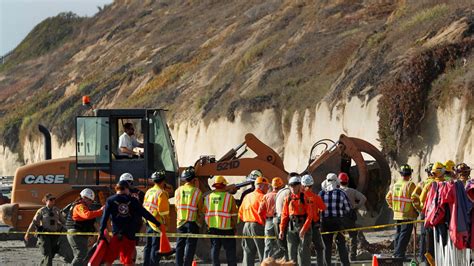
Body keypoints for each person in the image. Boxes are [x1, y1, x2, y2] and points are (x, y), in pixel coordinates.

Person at [100, 180, 161, 266]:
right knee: (128, 260)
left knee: (109, 259)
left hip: (116, 235)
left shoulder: (110, 200)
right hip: (129, 236)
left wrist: (101, 231)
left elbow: (104, 217)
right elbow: (145, 213)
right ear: (126, 189)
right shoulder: (133, 201)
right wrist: (157, 223)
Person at [204, 176, 239, 266]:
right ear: (224, 186)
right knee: (230, 250)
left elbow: (204, 212)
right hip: (227, 228)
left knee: (215, 249)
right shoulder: (229, 197)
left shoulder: (208, 197)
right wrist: (235, 227)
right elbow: (234, 214)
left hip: (212, 228)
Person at [279, 175, 313, 266]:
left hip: (303, 225)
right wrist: (281, 230)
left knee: (304, 253)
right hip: (291, 226)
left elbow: (310, 215)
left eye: (295, 185)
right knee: (291, 252)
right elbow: (284, 215)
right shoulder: (288, 198)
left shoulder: (305, 197)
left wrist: (304, 229)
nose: (293, 187)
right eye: (291, 185)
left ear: (299, 185)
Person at [385, 164, 417, 259]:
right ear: (410, 174)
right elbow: (415, 199)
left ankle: (396, 253)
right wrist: (417, 211)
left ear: (401, 174)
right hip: (407, 214)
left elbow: (388, 197)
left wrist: (393, 206)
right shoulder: (410, 185)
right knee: (405, 235)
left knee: (398, 234)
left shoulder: (396, 185)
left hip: (397, 214)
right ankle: (399, 255)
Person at [24, 193, 66, 266]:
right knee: (47, 254)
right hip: (44, 235)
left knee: (51, 254)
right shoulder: (41, 211)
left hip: (54, 235)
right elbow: (33, 222)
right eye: (51, 199)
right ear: (46, 201)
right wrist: (28, 233)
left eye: (54, 199)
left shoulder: (57, 210)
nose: (53, 201)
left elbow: (63, 221)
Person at [65, 188, 104, 266]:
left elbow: (93, 222)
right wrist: (101, 211)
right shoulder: (79, 206)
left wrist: (100, 232)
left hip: (79, 234)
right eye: (90, 200)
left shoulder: (84, 207)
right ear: (84, 198)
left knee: (81, 255)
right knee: (81, 254)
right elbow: (87, 215)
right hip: (76, 233)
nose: (91, 203)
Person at [319, 173, 351, 266]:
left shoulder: (321, 194)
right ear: (336, 181)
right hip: (338, 222)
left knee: (326, 246)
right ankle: (345, 264)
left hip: (325, 222)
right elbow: (348, 208)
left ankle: (327, 264)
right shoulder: (341, 193)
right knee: (341, 244)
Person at [175, 166, 204, 266]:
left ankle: (178, 264)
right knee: (190, 246)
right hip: (192, 222)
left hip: (180, 222)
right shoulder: (197, 192)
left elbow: (176, 206)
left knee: (179, 245)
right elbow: (200, 209)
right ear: (193, 179)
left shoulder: (178, 191)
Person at [239, 176, 269, 265]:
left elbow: (240, 213)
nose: (268, 188)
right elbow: (266, 213)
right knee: (263, 251)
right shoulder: (263, 197)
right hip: (258, 226)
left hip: (246, 226)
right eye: (266, 186)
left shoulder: (247, 196)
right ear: (261, 186)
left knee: (248, 252)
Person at [143, 170, 170, 266]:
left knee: (148, 246)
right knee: (155, 247)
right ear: (163, 181)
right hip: (157, 224)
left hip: (148, 222)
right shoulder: (162, 193)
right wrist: (166, 223)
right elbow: (164, 212)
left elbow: (144, 206)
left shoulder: (148, 192)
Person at [338, 172, 366, 261]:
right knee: (352, 235)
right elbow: (363, 198)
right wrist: (356, 207)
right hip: (350, 215)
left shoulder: (336, 192)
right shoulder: (352, 191)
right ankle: (352, 256)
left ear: (339, 181)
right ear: (347, 181)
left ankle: (340, 256)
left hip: (339, 216)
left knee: (340, 236)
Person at [411, 163, 435, 263]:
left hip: (425, 213)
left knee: (424, 235)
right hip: (436, 213)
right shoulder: (438, 183)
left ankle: (423, 257)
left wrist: (420, 208)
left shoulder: (422, 184)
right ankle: (432, 257)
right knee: (434, 236)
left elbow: (414, 197)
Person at [301, 174, 327, 266]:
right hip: (314, 225)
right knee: (319, 248)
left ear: (302, 185)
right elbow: (323, 208)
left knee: (305, 248)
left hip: (303, 225)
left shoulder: (301, 197)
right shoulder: (316, 197)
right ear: (312, 184)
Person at [259, 176, 285, 259]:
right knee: (281, 245)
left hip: (269, 222)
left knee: (268, 245)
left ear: (272, 186)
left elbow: (260, 212)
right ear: (281, 186)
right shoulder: (283, 196)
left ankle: (266, 263)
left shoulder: (266, 196)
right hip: (280, 221)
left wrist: (264, 223)